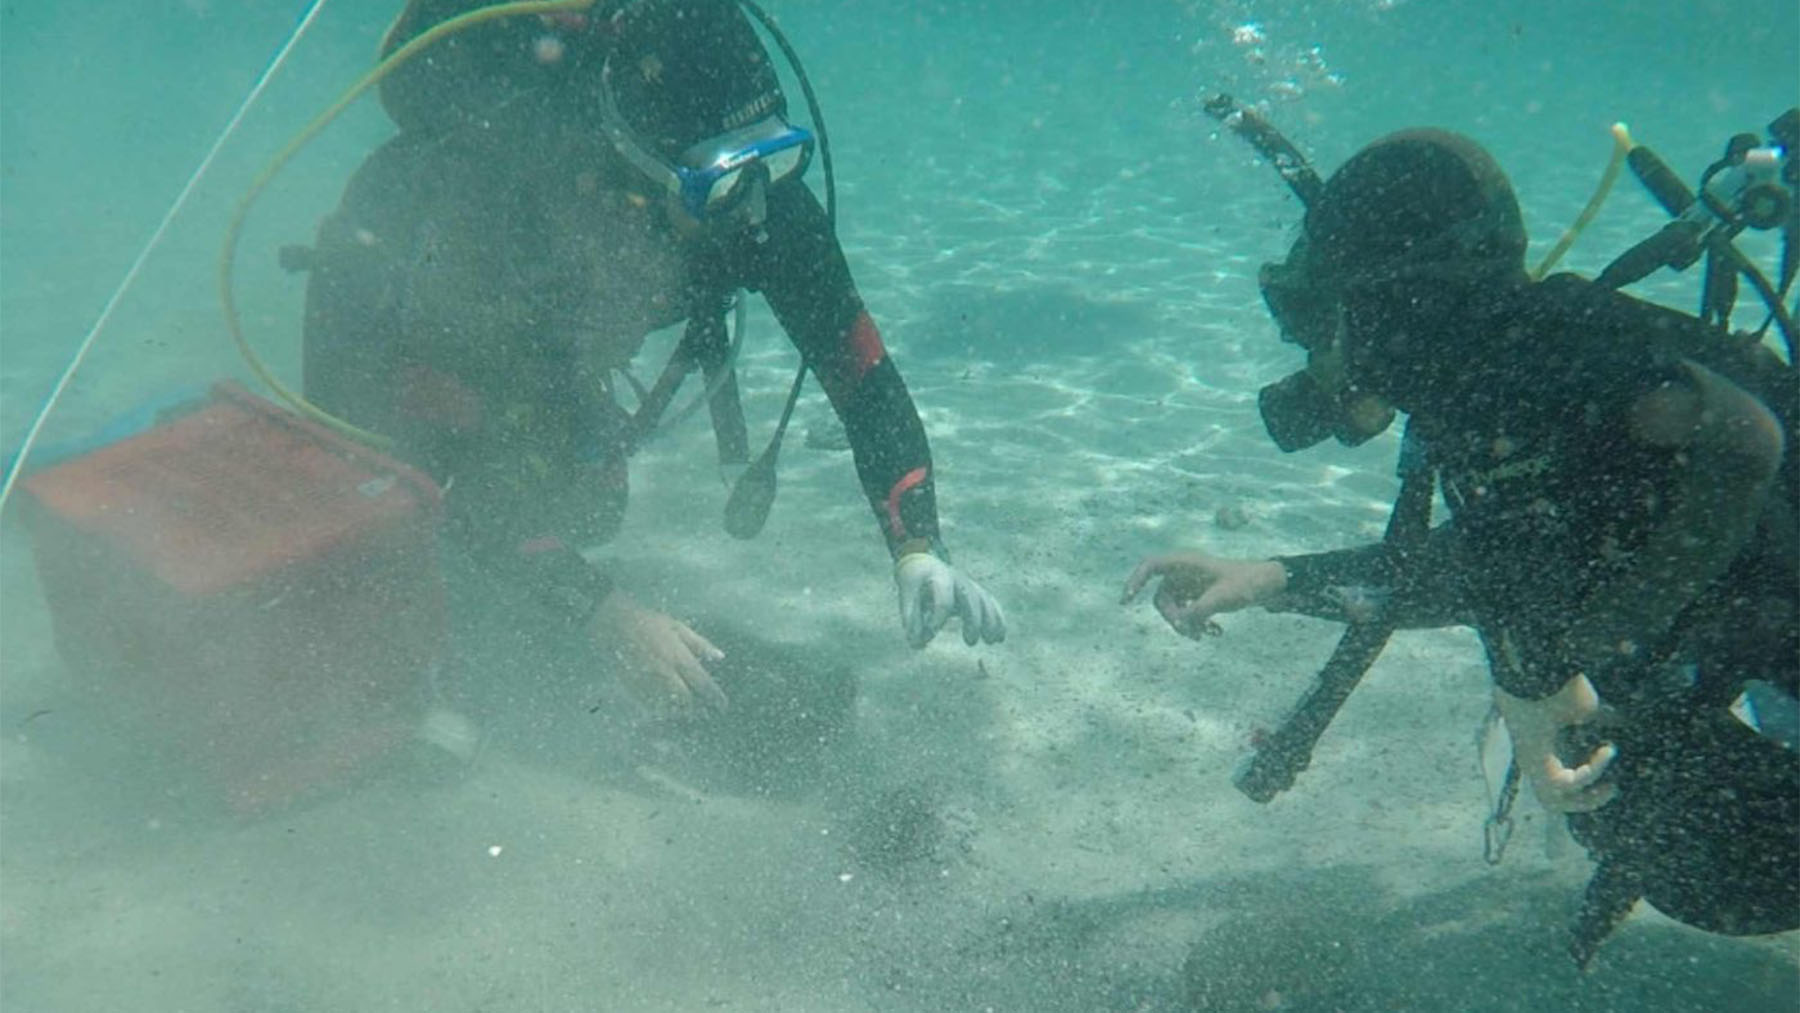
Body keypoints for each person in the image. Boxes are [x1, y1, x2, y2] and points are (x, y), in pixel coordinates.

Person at [1124, 128, 1797, 955]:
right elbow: (1484, 564)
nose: (1309, 351)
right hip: (1737, 622)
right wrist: (1269, 577)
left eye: (1315, 317)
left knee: (1630, 772)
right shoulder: (1479, 387)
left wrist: (1579, 650)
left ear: (1396, 307)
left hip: (1769, 617)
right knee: (1606, 758)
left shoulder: (1546, 350)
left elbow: (1746, 438)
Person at [299, 0, 1004, 720]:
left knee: (587, 505)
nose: (753, 207)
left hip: (538, 361)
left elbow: (864, 379)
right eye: (722, 180)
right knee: (399, 539)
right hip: (384, 351)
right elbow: (450, 471)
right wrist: (608, 613)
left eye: (773, 157)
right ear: (634, 172)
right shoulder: (505, 224)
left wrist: (918, 546)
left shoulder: (756, 201)